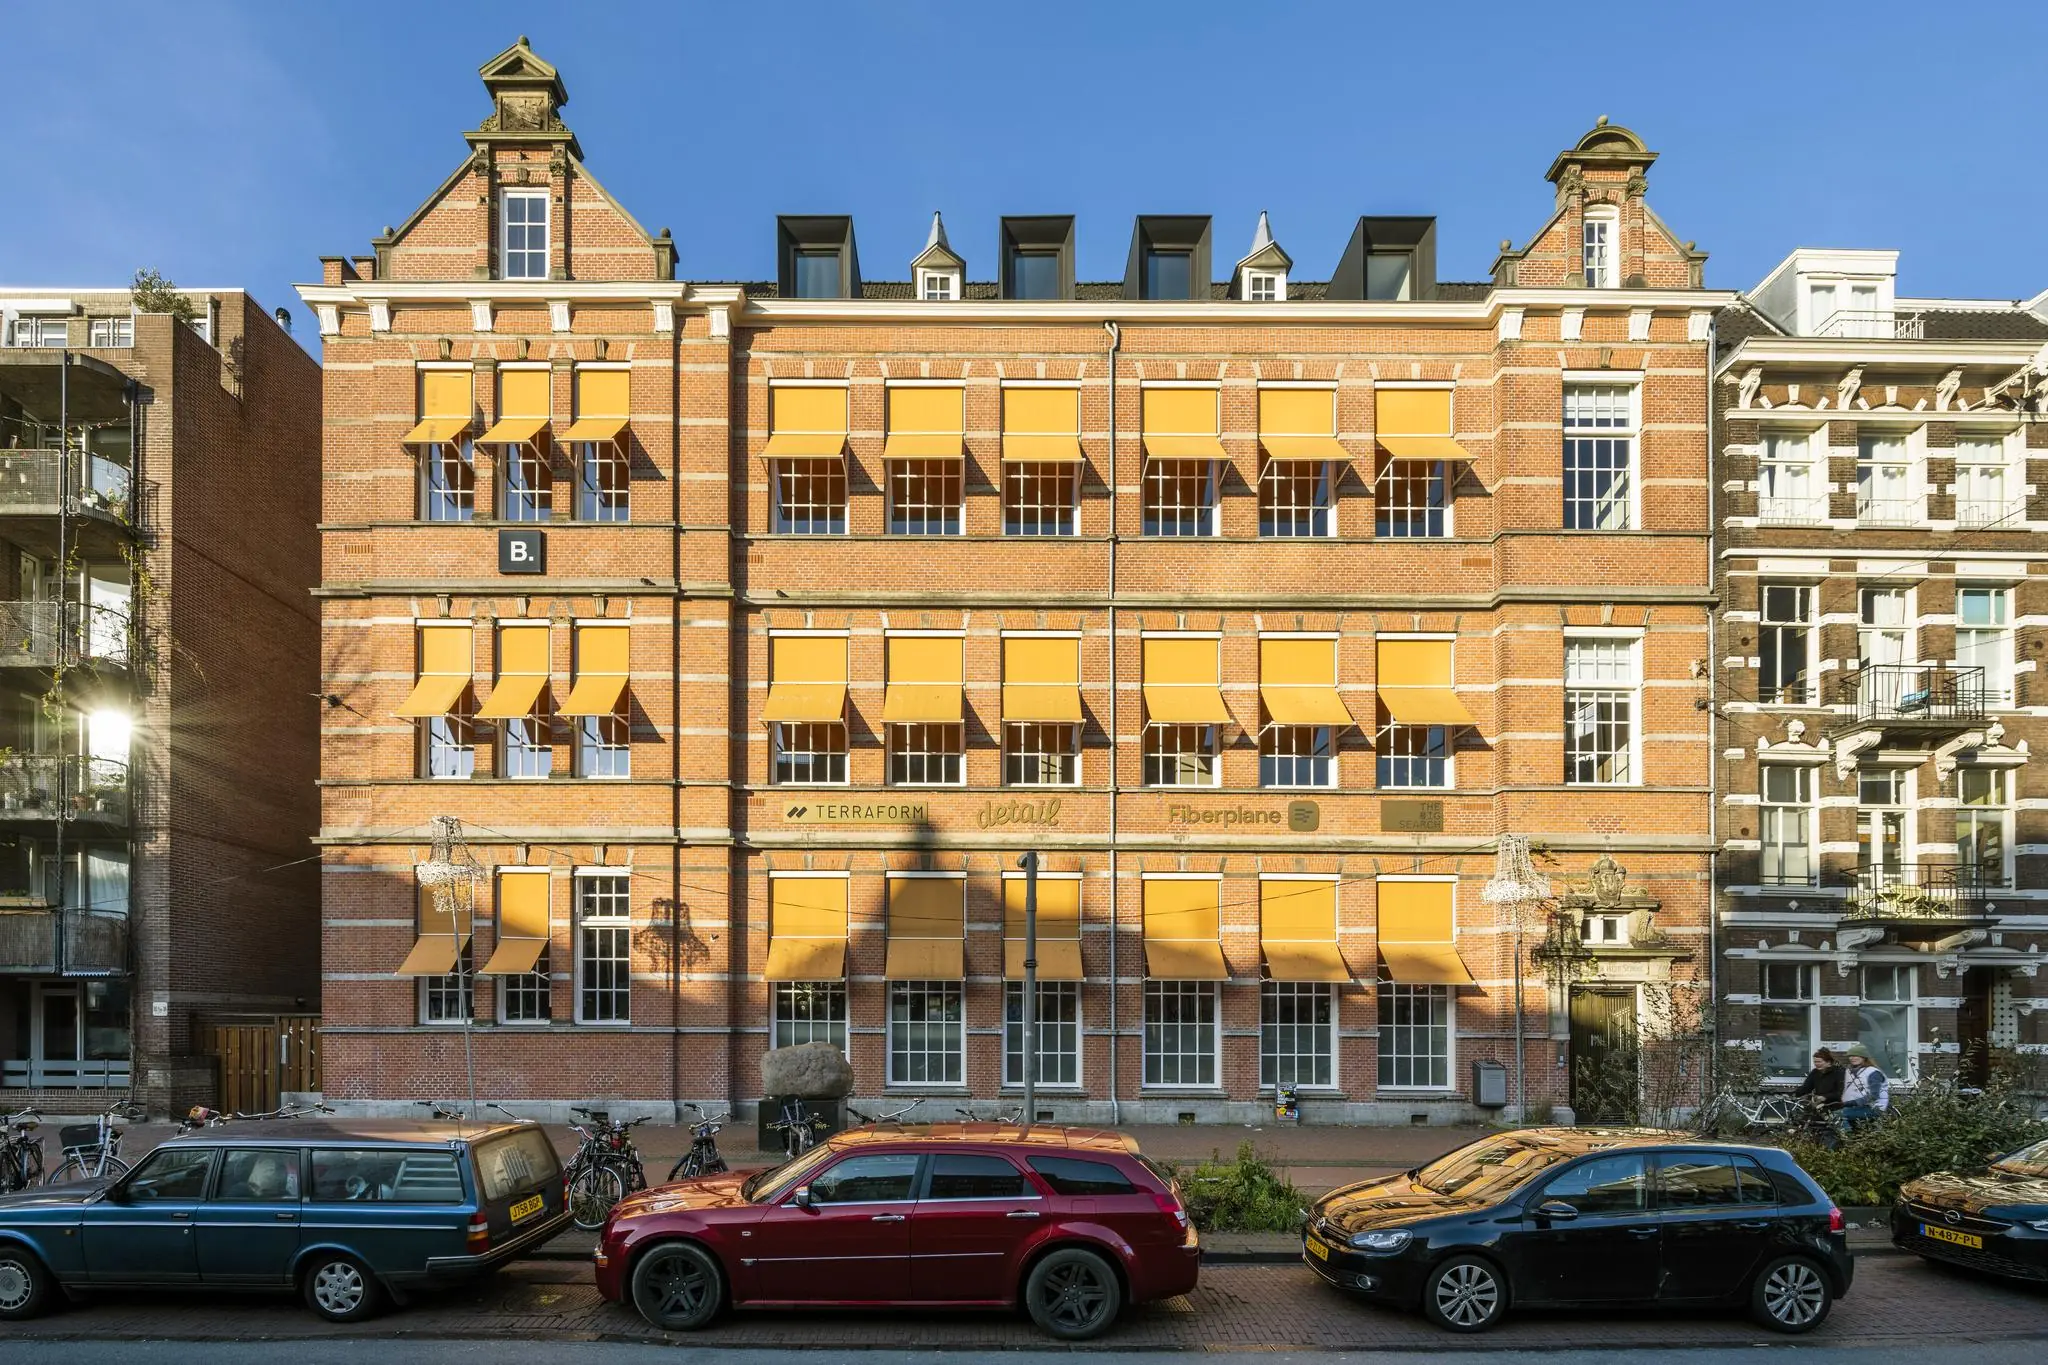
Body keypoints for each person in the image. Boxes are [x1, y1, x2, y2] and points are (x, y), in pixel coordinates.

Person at [1838, 1044, 1891, 1132]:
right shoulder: (1850, 1071)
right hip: (1856, 1107)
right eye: (1850, 1056)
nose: (1852, 1058)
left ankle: (1847, 1140)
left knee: (1837, 1115)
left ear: (1864, 1057)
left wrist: (1852, 1103)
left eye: (1855, 1055)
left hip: (1873, 1108)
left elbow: (1874, 1096)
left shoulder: (1873, 1073)